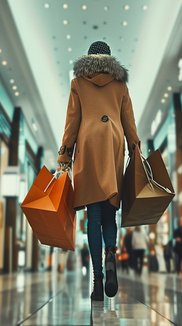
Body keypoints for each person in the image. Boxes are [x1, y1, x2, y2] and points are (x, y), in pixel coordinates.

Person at [57, 41, 140, 301]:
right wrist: (135, 149)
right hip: (113, 145)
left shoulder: (79, 82)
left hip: (89, 146)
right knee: (109, 209)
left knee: (93, 215)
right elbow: (129, 121)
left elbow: (72, 122)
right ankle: (111, 252)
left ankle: (97, 278)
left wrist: (65, 155)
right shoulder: (120, 84)